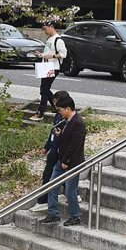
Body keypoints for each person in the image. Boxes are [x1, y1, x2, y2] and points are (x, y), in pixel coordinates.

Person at [41, 94, 85, 227]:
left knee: (70, 191)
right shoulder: (67, 121)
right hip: (62, 160)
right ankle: (53, 213)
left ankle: (75, 216)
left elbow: (75, 145)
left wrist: (66, 160)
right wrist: (60, 136)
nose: (59, 112)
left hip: (72, 162)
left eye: (60, 110)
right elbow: (67, 141)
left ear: (68, 108)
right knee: (52, 185)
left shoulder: (78, 123)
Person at [30, 90, 71, 212]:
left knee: (50, 175)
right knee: (51, 175)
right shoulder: (58, 115)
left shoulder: (67, 118)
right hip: (54, 149)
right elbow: (53, 131)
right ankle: (46, 200)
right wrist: (46, 147)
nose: (54, 104)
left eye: (55, 102)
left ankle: (44, 200)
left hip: (60, 151)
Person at [32, 22, 67, 120]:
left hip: (53, 67)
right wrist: (41, 54)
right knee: (45, 88)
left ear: (51, 27)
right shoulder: (49, 39)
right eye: (43, 29)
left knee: (44, 89)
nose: (44, 31)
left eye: (45, 28)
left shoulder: (58, 40)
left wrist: (52, 56)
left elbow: (63, 54)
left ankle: (41, 111)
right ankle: (56, 106)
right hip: (46, 66)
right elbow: (48, 52)